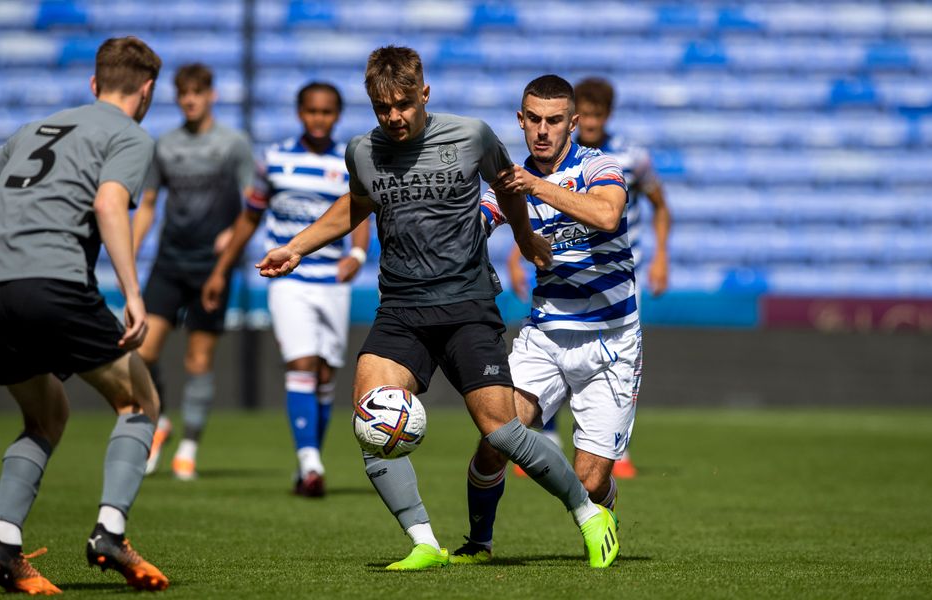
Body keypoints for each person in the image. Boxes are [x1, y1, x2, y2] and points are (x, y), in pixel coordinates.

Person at [257, 46, 618, 570]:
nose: (394, 117)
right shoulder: (362, 151)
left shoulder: (471, 136)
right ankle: (424, 541)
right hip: (400, 308)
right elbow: (356, 205)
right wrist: (297, 246)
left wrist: (524, 237)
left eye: (404, 104)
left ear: (423, 94)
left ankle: (587, 513)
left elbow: (508, 186)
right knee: (370, 418)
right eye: (383, 108)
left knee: (502, 432)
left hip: (466, 305)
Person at [0, 37, 169, 594]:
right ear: (148, 90)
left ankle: (4, 545)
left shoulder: (37, 128)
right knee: (141, 402)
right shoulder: (130, 135)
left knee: (45, 417)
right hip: (54, 283)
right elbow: (109, 203)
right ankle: (110, 532)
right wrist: (134, 295)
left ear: (93, 84)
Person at [450, 75, 639, 568]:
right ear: (520, 120)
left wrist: (536, 185)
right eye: (533, 119)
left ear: (573, 124)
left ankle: (605, 504)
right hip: (545, 336)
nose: (542, 130)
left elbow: (606, 216)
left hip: (611, 340)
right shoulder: (508, 183)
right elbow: (475, 226)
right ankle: (479, 542)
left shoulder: (599, 166)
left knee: (591, 480)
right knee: (497, 436)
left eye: (554, 120)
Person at [202, 82, 369, 497]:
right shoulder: (274, 159)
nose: (319, 118)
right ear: (300, 113)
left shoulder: (349, 162)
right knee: (303, 363)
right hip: (288, 278)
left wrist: (358, 255)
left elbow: (362, 211)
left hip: (331, 280)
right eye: (312, 111)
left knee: (327, 373)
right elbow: (250, 217)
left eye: (327, 112)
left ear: (337, 115)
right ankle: (311, 464)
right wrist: (221, 270)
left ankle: (309, 460)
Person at [505, 76, 670, 480]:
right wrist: (516, 252)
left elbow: (652, 206)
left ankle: (613, 448)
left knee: (593, 474)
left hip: (613, 285)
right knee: (517, 410)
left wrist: (660, 257)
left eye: (596, 117)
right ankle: (549, 442)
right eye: (535, 120)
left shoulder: (623, 159)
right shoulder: (534, 171)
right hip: (557, 295)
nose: (591, 124)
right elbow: (531, 218)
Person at [131, 63, 255, 481]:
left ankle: (188, 447)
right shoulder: (163, 146)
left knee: (198, 360)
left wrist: (230, 240)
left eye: (197, 92)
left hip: (211, 267)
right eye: (183, 92)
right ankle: (161, 420)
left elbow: (252, 203)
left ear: (211, 95)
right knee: (141, 351)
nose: (190, 99)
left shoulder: (233, 145)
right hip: (169, 261)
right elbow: (148, 204)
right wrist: (129, 250)